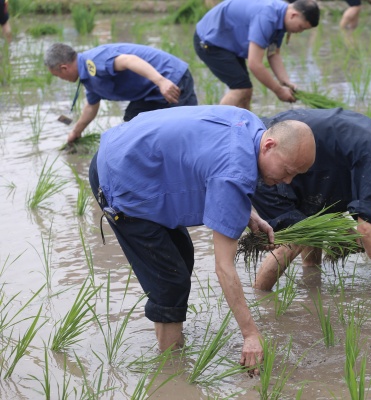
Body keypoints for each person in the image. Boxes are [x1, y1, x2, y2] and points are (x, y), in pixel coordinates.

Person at [88, 105, 315, 373]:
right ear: (269, 145)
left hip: (136, 156)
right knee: (170, 281)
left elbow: (214, 167)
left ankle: (172, 347)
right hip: (120, 178)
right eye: (287, 170)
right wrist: (250, 334)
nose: (286, 181)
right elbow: (224, 268)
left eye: (295, 176)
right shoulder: (234, 171)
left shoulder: (250, 125)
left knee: (182, 256)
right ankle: (170, 371)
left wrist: (247, 213)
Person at [251, 108, 371, 295]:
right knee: (300, 235)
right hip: (270, 160)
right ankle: (260, 297)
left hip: (268, 146)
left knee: (315, 220)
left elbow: (334, 197)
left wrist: (347, 233)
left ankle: (311, 284)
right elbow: (366, 228)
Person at [44, 43, 198, 144]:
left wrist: (161, 81)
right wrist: (75, 132)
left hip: (171, 79)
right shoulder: (88, 78)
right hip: (150, 92)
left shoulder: (94, 61)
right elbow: (91, 107)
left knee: (184, 133)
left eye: (58, 76)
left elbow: (128, 60)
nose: (61, 79)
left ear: (64, 68)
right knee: (134, 125)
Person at [193, 0, 319, 110]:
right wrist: (278, 90)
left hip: (228, 42)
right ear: (293, 15)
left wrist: (285, 81)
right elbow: (254, 64)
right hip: (210, 40)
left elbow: (273, 53)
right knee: (240, 88)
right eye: (301, 27)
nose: (299, 31)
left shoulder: (282, 18)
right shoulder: (267, 17)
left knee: (246, 90)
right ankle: (218, 128)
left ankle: (247, 130)